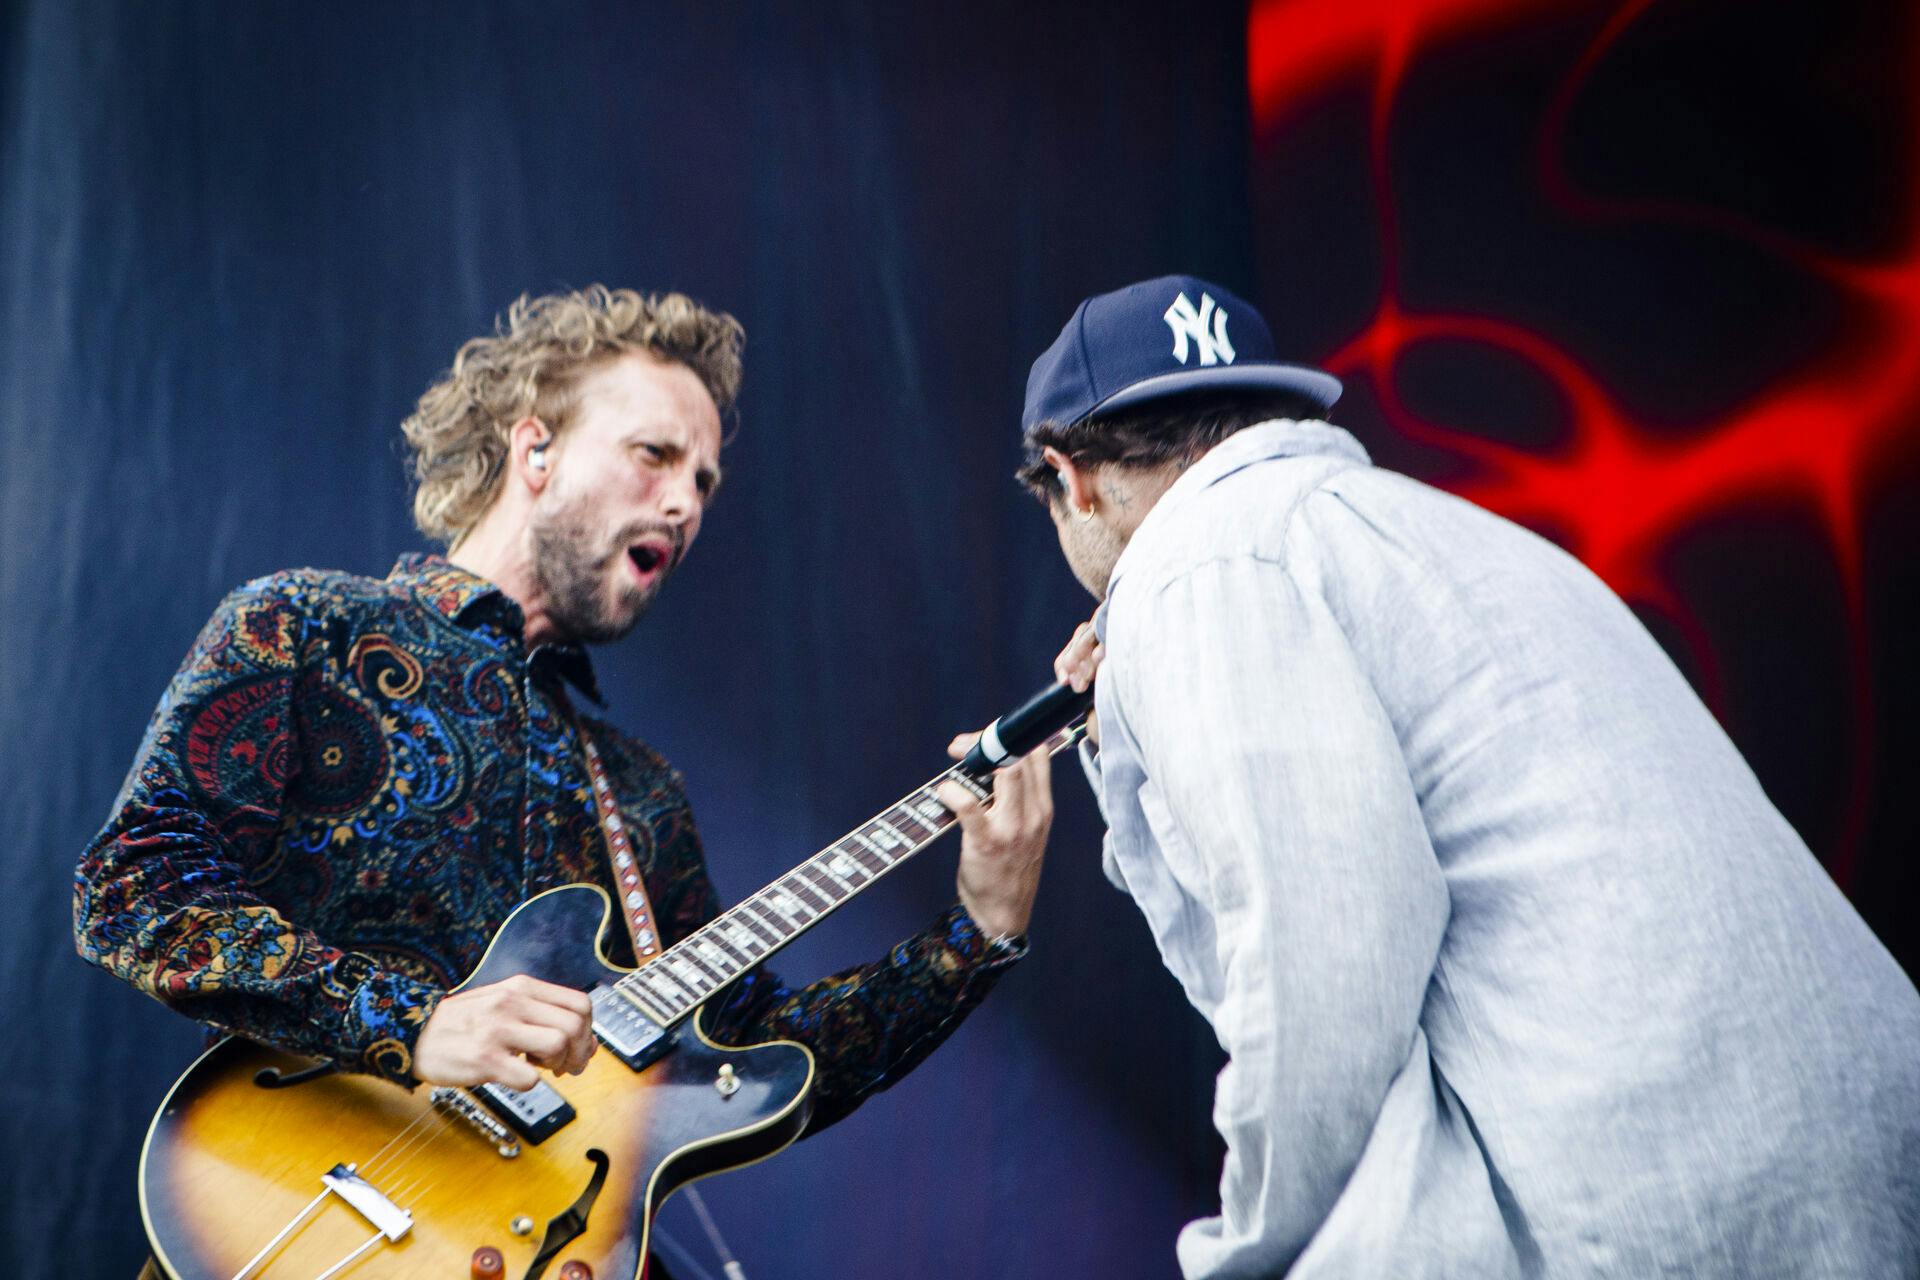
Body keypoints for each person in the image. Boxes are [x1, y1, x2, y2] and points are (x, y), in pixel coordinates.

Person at [76, 285, 1053, 1275]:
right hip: (291, 1218)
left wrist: (977, 934)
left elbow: (759, 1054)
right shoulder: (305, 627)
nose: (686, 502)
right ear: (534, 451)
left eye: (706, 482)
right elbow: (133, 889)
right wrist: (414, 1022)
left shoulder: (639, 792)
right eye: (656, 454)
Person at [1023, 274, 1920, 1277]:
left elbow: (1318, 962)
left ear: (1073, 476)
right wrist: (1130, 752)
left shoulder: (1193, 567)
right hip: (1847, 1157)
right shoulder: (1430, 527)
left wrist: (1249, 1249)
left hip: (1669, 1207)